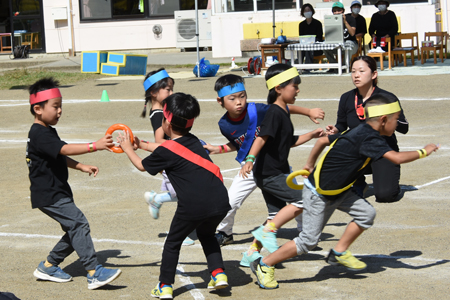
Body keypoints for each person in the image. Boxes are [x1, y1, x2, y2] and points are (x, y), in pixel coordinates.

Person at [249, 93, 439, 289]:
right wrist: (424, 151)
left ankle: (338, 252)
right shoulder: (367, 138)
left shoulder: (363, 131)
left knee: (366, 214)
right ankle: (265, 264)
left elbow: (323, 141)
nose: (397, 124)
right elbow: (396, 158)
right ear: (383, 120)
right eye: (395, 120)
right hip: (319, 194)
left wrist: (310, 163)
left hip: (340, 190)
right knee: (308, 242)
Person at [118, 93, 231, 299]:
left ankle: (165, 286)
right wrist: (141, 144)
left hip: (193, 206)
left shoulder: (167, 150)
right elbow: (168, 148)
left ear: (167, 123)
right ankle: (218, 273)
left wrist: (127, 149)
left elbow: (143, 165)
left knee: (172, 243)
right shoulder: (194, 141)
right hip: (220, 201)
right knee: (207, 235)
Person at [205, 74, 324, 256]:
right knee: (230, 201)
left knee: (296, 199)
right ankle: (225, 233)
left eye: (242, 96)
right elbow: (242, 143)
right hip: (250, 167)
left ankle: (304, 233)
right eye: (232, 98)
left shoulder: (259, 110)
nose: (239, 102)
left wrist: (308, 112)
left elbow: (283, 108)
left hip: (273, 164)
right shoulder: (224, 124)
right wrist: (218, 149)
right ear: (220, 101)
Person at [26, 77, 122, 290]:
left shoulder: (46, 131)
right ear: (38, 109)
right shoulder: (38, 133)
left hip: (56, 190)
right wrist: (94, 146)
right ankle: (93, 271)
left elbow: (58, 156)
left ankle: (49, 266)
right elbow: (64, 149)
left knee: (74, 229)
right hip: (49, 193)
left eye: (61, 107)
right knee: (79, 224)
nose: (60, 111)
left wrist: (81, 166)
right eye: (56, 107)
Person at [239, 64, 324, 266]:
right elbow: (261, 138)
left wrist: (312, 135)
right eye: (294, 85)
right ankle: (266, 233)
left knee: (275, 216)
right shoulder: (274, 113)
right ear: (278, 88)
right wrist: (250, 159)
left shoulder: (283, 111)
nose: (297, 89)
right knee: (305, 199)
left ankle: (251, 252)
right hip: (269, 175)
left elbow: (289, 142)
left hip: (273, 173)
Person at [326, 56, 408, 202]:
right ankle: (358, 182)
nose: (356, 75)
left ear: (374, 74)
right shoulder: (346, 98)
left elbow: (404, 127)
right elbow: (342, 125)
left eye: (361, 71)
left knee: (385, 196)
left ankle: (390, 182)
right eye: (353, 71)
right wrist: (335, 129)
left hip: (383, 151)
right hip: (357, 152)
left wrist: (388, 117)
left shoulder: (386, 98)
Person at [140, 69, 196, 246]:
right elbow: (159, 140)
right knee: (186, 196)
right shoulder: (159, 115)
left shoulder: (160, 111)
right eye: (168, 90)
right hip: (172, 160)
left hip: (173, 159)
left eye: (172, 89)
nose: (172, 93)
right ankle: (180, 231)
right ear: (153, 93)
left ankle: (158, 200)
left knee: (184, 194)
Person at [323, 2, 358, 74]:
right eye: (334, 11)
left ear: (343, 11)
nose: (337, 12)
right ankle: (334, 66)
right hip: (337, 45)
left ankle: (345, 66)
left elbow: (352, 33)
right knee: (324, 45)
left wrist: (345, 22)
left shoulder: (351, 19)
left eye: (339, 10)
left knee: (349, 44)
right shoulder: (331, 20)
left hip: (351, 45)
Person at [298, 3, 324, 73]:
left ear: (312, 11)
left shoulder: (318, 23)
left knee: (309, 47)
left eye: (308, 10)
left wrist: (311, 40)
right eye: (305, 11)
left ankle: (307, 67)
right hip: (305, 46)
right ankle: (298, 66)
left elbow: (319, 37)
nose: (307, 12)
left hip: (316, 47)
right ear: (303, 13)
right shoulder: (301, 25)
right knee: (300, 49)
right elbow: (301, 37)